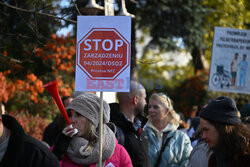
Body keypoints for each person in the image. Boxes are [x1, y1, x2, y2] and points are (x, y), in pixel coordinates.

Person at [51, 92, 132, 167]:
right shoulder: (59, 149)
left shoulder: (118, 152)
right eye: (70, 114)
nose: (72, 120)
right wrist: (56, 154)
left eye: (78, 114)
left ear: (93, 120)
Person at [143, 93, 192, 167]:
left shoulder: (182, 138)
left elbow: (187, 163)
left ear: (167, 110)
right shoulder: (142, 134)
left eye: (155, 107)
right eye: (149, 107)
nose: (150, 110)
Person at [200, 96, 250, 167]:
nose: (203, 136)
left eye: (206, 129)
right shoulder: (214, 159)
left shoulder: (246, 159)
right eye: (202, 130)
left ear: (222, 128)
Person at [109, 80, 149, 167]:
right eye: (144, 98)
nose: (146, 103)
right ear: (135, 100)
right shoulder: (112, 130)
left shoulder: (139, 128)